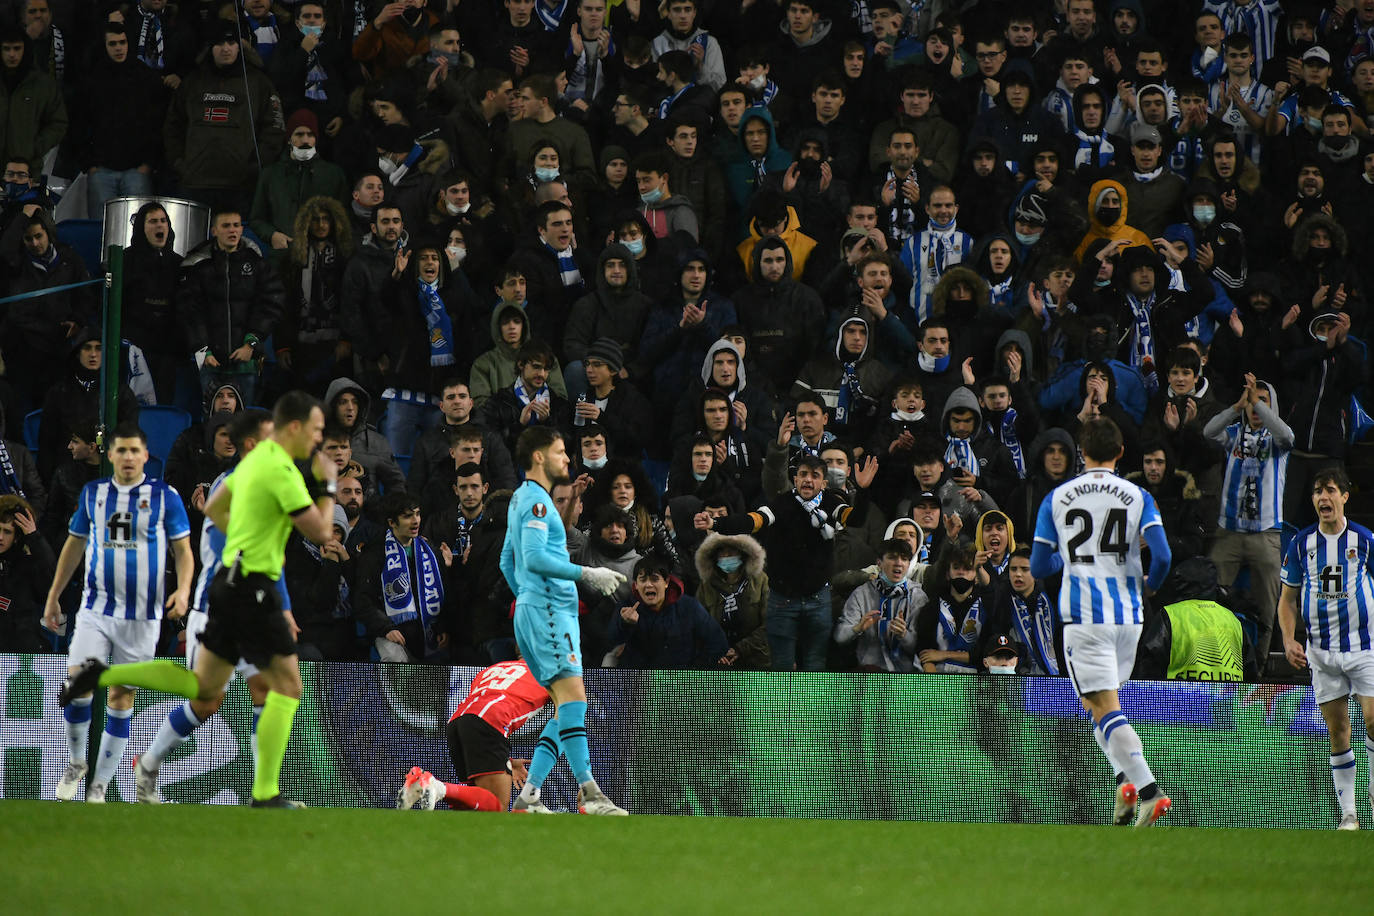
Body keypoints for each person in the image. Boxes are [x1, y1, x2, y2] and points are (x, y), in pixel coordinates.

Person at [59, 391, 341, 809]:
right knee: (286, 686)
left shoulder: (248, 470)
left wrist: (246, 544)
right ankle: (265, 793)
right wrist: (326, 482)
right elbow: (322, 532)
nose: (320, 441)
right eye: (316, 430)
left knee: (207, 689)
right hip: (244, 591)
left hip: (230, 586)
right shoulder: (279, 470)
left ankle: (99, 679)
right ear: (288, 430)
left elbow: (212, 510)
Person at [131, 409, 289, 803]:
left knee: (266, 690)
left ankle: (262, 793)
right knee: (207, 700)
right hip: (217, 608)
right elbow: (223, 547)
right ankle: (148, 764)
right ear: (253, 443)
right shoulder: (232, 485)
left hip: (253, 607)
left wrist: (281, 606)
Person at [1030, 417, 1173, 828]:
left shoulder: (1058, 497)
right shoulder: (1138, 495)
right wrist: (1149, 586)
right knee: (1100, 708)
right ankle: (1124, 786)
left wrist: (1067, 558)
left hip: (1085, 616)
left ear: (1081, 451)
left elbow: (1040, 564)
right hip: (1129, 617)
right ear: (1121, 452)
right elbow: (1162, 556)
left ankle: (1149, 792)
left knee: (1104, 706)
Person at [43, 424, 194, 804]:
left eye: (134, 451)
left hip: (143, 616)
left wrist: (184, 588)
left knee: (121, 698)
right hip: (96, 608)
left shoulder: (165, 496)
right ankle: (77, 763)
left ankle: (100, 787)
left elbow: (184, 551)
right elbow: (74, 546)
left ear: (146, 456)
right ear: (109, 455)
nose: (128, 457)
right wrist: (54, 595)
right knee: (77, 682)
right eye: (121, 451)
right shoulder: (93, 494)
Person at [502, 426, 628, 815]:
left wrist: (525, 596)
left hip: (536, 610)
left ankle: (529, 795)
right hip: (550, 613)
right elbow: (535, 558)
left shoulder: (519, 499)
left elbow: (507, 561)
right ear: (538, 457)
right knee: (575, 699)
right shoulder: (538, 502)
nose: (566, 459)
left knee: (565, 706)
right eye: (559, 452)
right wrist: (586, 574)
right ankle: (590, 794)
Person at [1278, 467, 1374, 831]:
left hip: (1364, 647)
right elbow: (1286, 601)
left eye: (1330, 490)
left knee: (1373, 719)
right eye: (1318, 492)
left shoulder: (1364, 540)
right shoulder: (1301, 544)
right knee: (1338, 730)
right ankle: (1349, 814)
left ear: (1345, 496)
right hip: (1321, 651)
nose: (1323, 498)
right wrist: (1289, 639)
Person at [1205, 373, 1292, 666]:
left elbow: (1288, 436)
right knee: (1212, 601)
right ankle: (1216, 662)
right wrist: (1236, 406)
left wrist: (1258, 403)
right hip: (1228, 533)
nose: (1256, 409)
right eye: (1253, 403)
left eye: (1263, 402)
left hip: (1266, 535)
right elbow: (1208, 431)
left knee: (1268, 607)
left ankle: (1261, 669)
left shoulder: (1278, 441)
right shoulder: (1232, 435)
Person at [397, 658, 548, 813]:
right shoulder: (551, 672)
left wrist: (504, 761)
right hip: (490, 720)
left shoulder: (496, 667)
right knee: (497, 806)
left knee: (478, 806)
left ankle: (424, 785)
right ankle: (434, 785)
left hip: (458, 720)